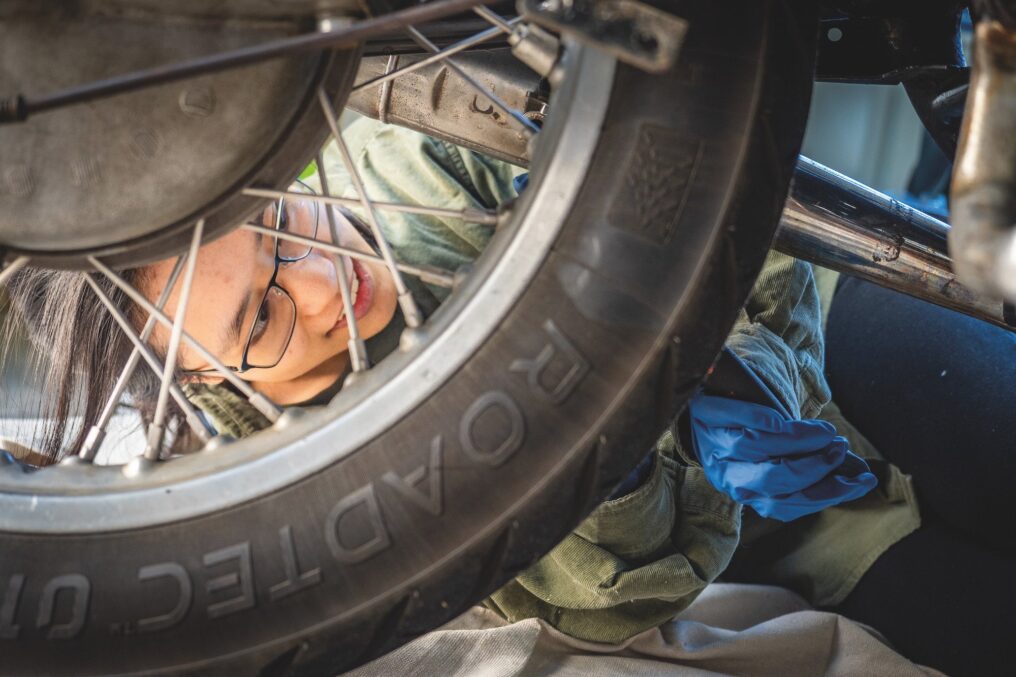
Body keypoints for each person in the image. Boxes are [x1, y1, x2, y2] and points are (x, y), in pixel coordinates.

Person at [3, 116, 1008, 676]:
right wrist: (616, 452)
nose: (322, 282)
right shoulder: (324, 514)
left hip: (830, 325)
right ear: (207, 379)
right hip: (810, 547)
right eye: (261, 317)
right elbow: (623, 593)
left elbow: (715, 205)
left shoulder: (423, 145)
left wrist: (734, 368)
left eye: (283, 224)